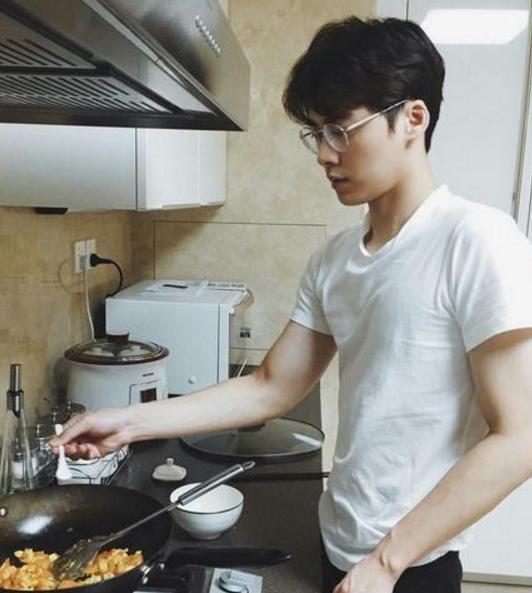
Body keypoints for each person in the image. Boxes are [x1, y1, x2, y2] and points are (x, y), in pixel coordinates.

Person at [51, 16, 532, 593]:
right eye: (316, 134)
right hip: (340, 536)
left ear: (413, 118)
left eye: (340, 131)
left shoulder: (478, 241)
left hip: (411, 563)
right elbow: (270, 387)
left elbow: (519, 437)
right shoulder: (335, 260)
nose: (324, 154)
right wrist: (127, 423)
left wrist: (387, 563)